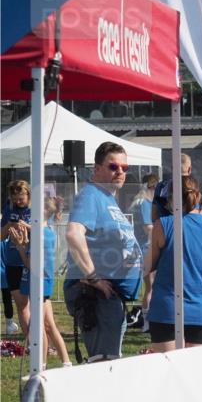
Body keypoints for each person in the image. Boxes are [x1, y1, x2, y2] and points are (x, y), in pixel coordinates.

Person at [64, 142, 143, 362]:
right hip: (96, 295)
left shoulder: (108, 199)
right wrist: (93, 277)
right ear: (96, 169)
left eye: (124, 168)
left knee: (109, 363)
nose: (120, 172)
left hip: (109, 295)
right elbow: (73, 234)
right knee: (104, 364)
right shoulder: (91, 195)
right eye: (113, 166)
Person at [146, 177, 202, 351]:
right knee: (195, 375)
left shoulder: (163, 225)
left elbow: (148, 266)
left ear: (171, 199)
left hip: (166, 309)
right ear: (199, 196)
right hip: (200, 309)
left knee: (166, 373)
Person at [8, 196, 72, 367]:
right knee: (49, 325)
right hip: (43, 283)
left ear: (42, 212)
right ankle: (66, 362)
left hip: (39, 284)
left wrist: (21, 246)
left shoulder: (39, 234)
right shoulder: (47, 232)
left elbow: (30, 264)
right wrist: (25, 240)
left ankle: (41, 365)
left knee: (39, 327)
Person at [2, 179, 32, 334]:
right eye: (15, 200)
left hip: (31, 262)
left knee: (38, 306)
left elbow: (45, 232)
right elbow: (1, 236)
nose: (18, 202)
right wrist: (9, 225)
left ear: (28, 194)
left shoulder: (36, 209)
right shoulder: (8, 208)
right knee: (21, 305)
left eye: (21, 199)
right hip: (13, 263)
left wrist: (26, 226)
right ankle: (30, 342)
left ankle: (44, 342)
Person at [131, 173, 158, 331]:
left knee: (151, 286)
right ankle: (147, 322)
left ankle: (147, 322)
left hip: (145, 247)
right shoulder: (144, 203)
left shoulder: (141, 202)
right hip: (146, 248)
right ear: (153, 187)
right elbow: (148, 228)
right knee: (151, 287)